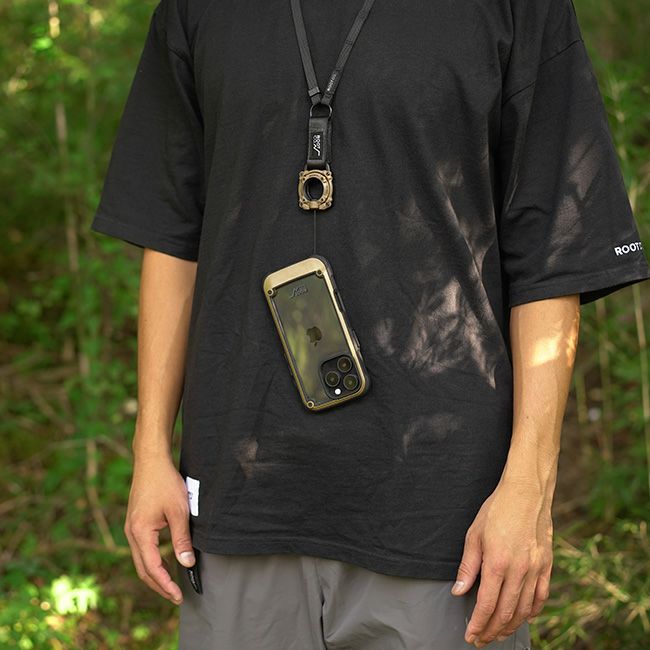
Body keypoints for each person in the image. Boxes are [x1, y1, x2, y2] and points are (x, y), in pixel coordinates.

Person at [90, 0, 650, 647]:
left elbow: (553, 253)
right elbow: (171, 237)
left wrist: (529, 488)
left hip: (447, 522)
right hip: (238, 501)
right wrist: (150, 450)